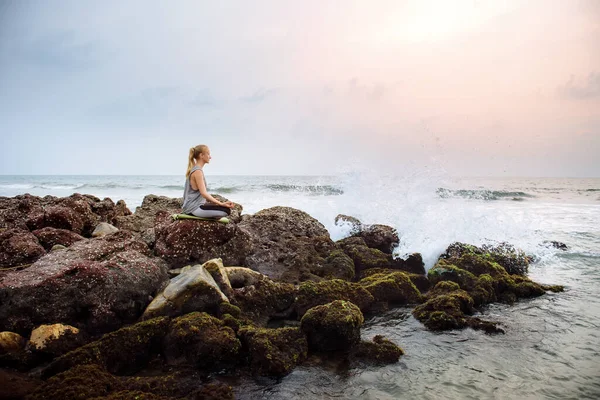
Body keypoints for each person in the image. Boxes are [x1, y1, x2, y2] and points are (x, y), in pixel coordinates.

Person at [182, 144, 234, 218]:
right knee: (226, 211)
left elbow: (199, 193)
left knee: (223, 208)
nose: (210, 157)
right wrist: (220, 204)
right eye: (208, 154)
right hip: (193, 209)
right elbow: (203, 193)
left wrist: (212, 201)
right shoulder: (197, 171)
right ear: (201, 155)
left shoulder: (196, 170)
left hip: (192, 206)